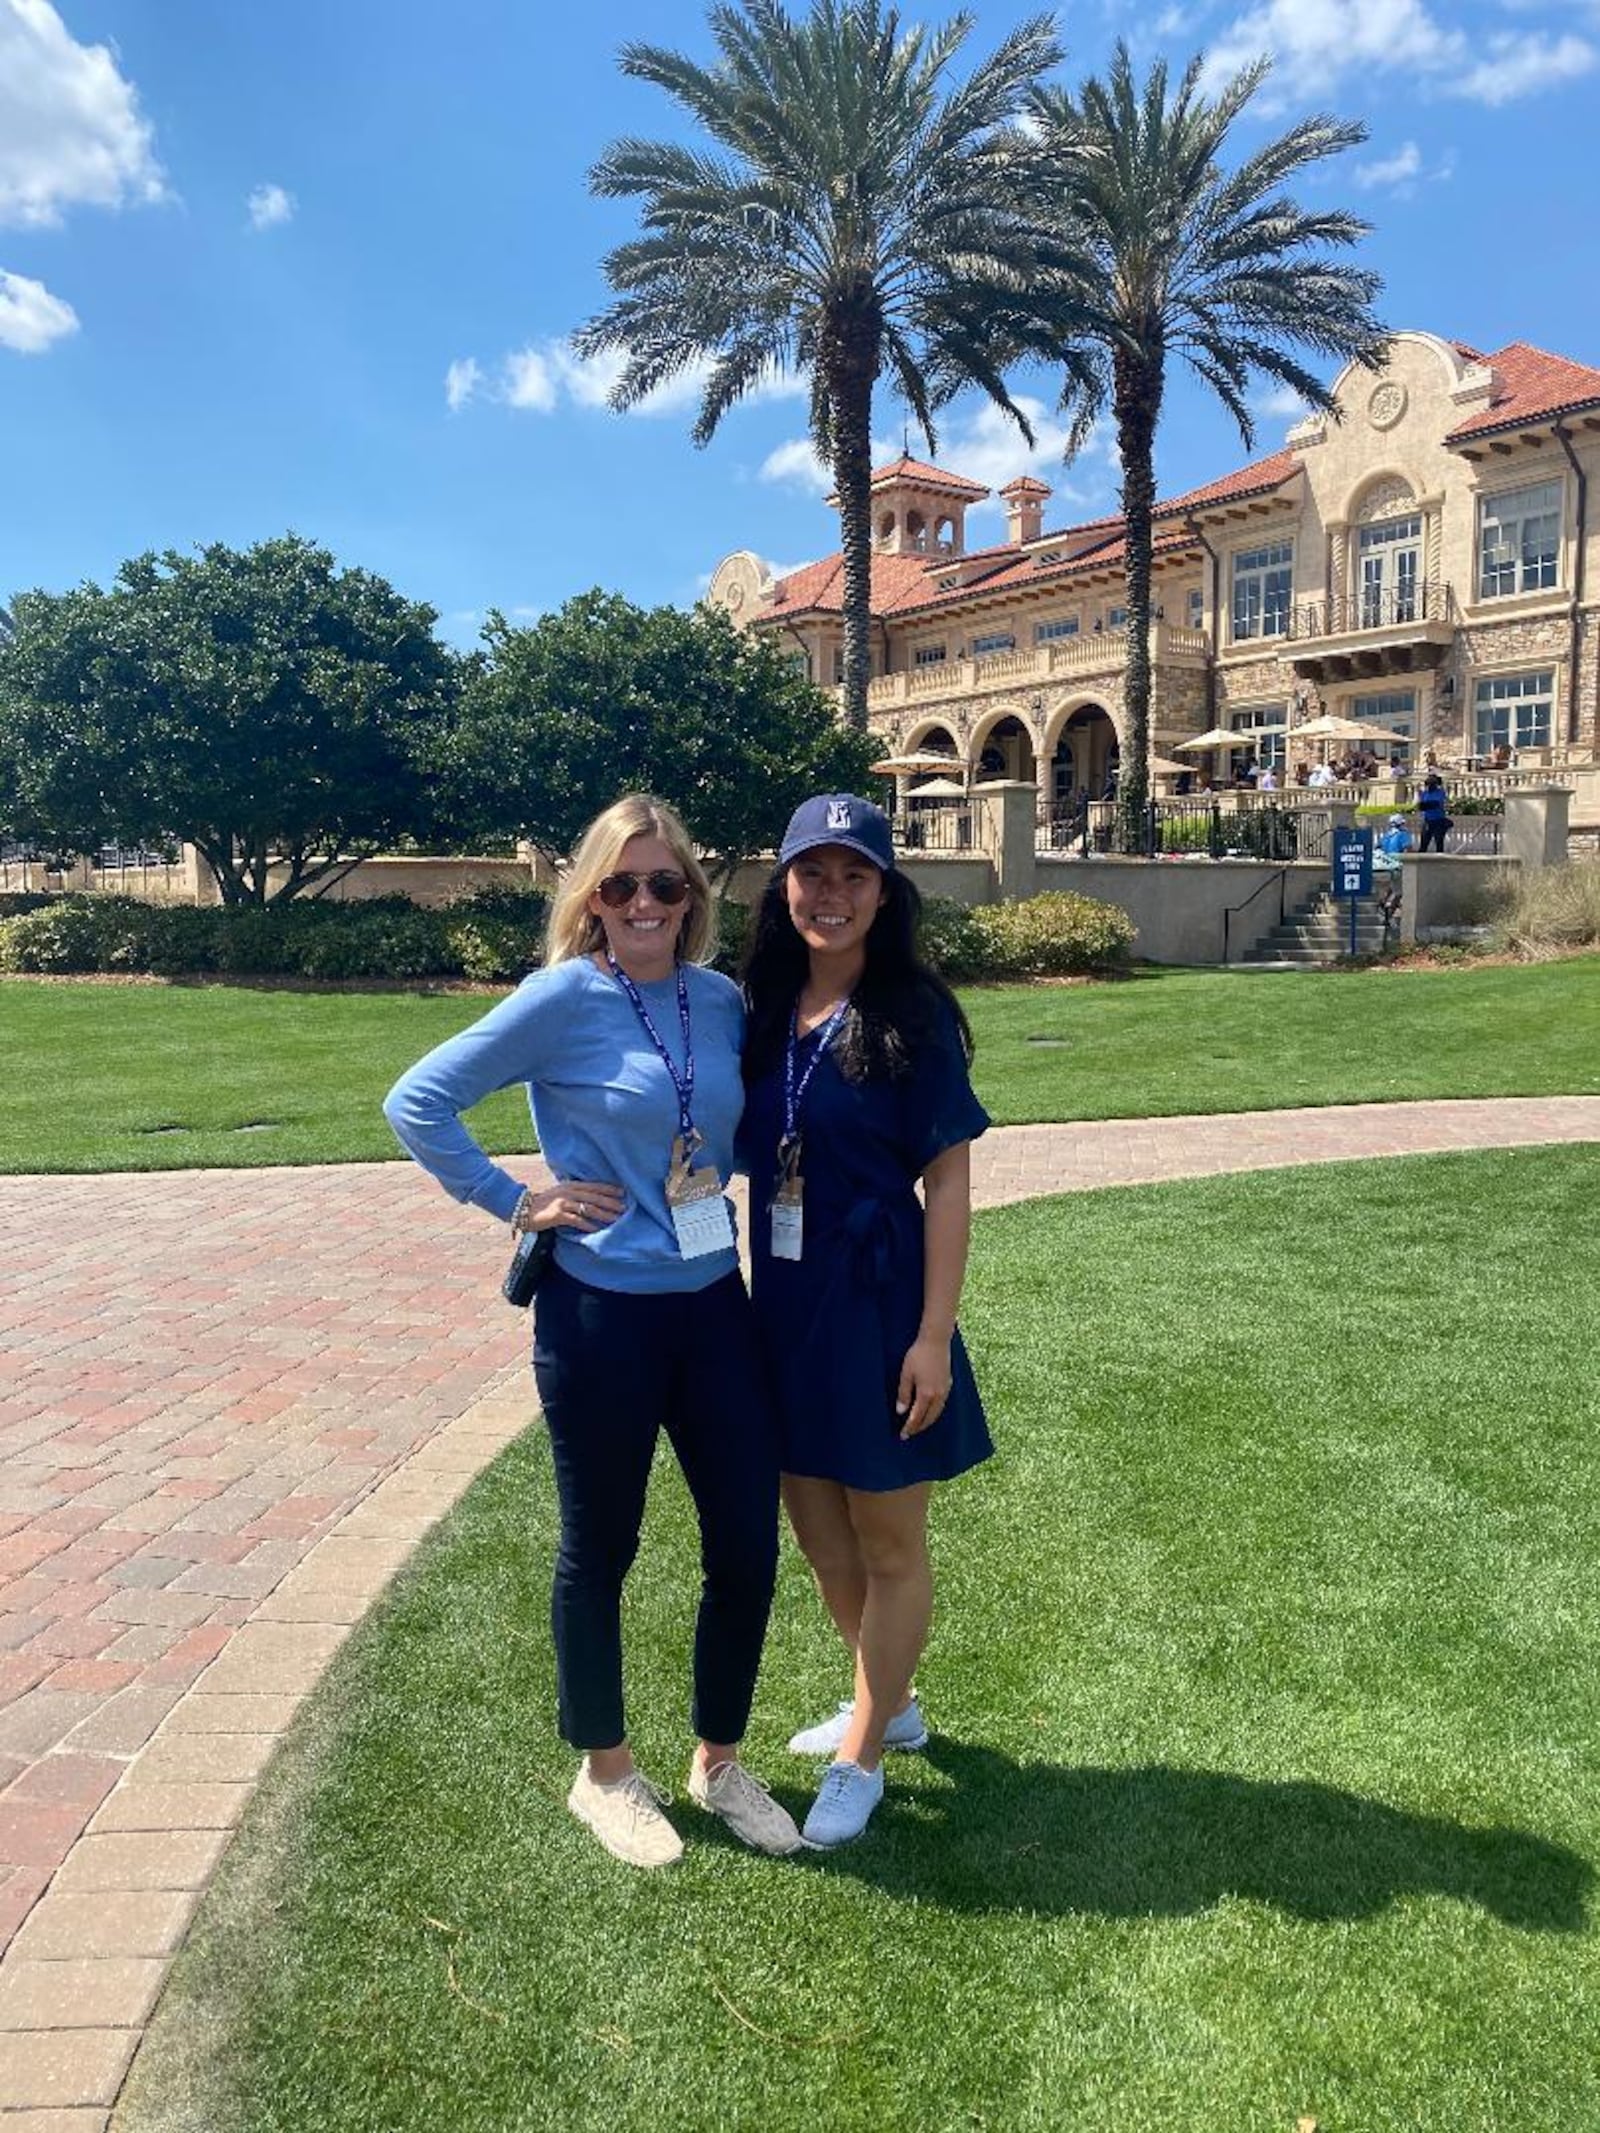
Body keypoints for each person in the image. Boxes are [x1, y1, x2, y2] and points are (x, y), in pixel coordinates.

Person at [383, 795, 800, 1870]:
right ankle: (605, 1771)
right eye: (623, 885)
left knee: (746, 1543)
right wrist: (515, 1200)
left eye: (667, 884)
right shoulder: (561, 997)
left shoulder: (717, 1001)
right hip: (601, 1311)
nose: (646, 902)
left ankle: (720, 1760)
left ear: (693, 898)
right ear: (593, 899)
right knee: (600, 1546)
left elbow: (737, 1132)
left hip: (714, 1303)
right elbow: (417, 1101)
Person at [738, 795, 992, 1849]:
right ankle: (888, 1698)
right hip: (785, 1304)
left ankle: (864, 1751)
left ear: (884, 893)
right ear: (783, 886)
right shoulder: (757, 1007)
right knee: (817, 1526)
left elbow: (950, 1186)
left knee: (888, 1536)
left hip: (883, 1306)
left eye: (853, 875)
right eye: (812, 872)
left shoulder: (913, 1016)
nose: (829, 894)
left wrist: (932, 1335)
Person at [1417, 772, 1452, 852]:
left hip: (1438, 821)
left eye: (1431, 784)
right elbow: (1421, 806)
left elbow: (1437, 804)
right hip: (1427, 821)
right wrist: (1427, 805)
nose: (1429, 786)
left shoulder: (1440, 792)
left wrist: (1427, 805)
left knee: (1439, 843)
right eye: (1428, 784)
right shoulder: (1424, 793)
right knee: (1423, 844)